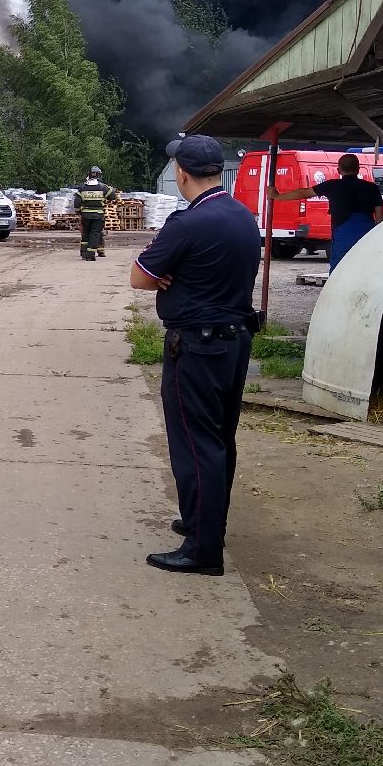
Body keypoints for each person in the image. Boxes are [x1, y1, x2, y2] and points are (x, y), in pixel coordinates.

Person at [130, 134, 260, 576]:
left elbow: (140, 277)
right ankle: (205, 521)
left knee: (194, 441)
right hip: (235, 341)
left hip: (197, 346)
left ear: (181, 173)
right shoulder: (244, 217)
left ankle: (202, 550)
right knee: (220, 437)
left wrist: (167, 273)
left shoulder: (187, 223)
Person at [270, 153, 383, 272]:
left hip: (342, 238)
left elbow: (303, 193)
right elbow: (380, 218)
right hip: (366, 238)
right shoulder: (372, 188)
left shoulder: (332, 185)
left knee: (339, 272)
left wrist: (277, 196)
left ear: (338, 170)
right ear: (358, 169)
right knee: (365, 270)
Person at [74, 165, 118, 260]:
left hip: (85, 215)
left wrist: (78, 212)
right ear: (99, 175)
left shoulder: (82, 188)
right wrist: (111, 190)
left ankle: (83, 252)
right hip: (98, 215)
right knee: (95, 234)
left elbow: (77, 202)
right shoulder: (103, 187)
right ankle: (90, 255)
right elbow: (113, 197)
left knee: (85, 233)